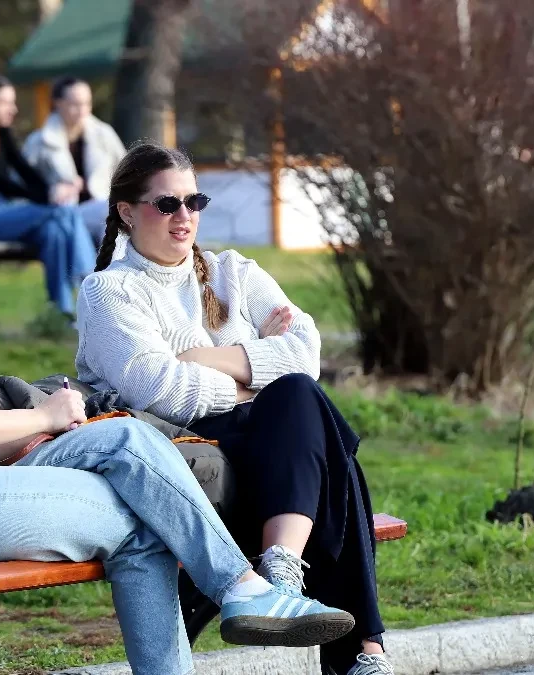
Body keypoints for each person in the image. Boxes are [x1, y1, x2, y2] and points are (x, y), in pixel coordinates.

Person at [0, 160, 357, 675]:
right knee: (143, 505)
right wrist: (40, 413)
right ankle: (244, 588)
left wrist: (43, 426)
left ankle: (243, 590)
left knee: (130, 457)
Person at [74, 141, 393, 675]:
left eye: (193, 202)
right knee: (325, 438)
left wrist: (201, 357)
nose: (184, 217)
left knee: (298, 395)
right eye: (166, 204)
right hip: (184, 447)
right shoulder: (109, 292)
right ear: (127, 213)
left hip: (269, 439)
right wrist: (251, 375)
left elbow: (305, 353)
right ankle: (364, 649)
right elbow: (166, 392)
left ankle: (282, 571)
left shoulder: (232, 273)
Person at [0, 74, 95, 320]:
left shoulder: (2, 135)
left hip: (5, 216)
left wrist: (50, 191)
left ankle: (63, 312)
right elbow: (0, 182)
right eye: (6, 102)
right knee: (63, 211)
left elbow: (26, 172)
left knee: (54, 231)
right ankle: (90, 278)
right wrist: (51, 197)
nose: (13, 109)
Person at [22, 77, 126, 248]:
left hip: (97, 208)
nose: (82, 111)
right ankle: (99, 272)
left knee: (111, 216)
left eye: (86, 104)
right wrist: (53, 191)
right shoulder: (39, 141)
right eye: (75, 104)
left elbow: (126, 172)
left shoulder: (104, 135)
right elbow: (22, 184)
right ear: (58, 103)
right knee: (106, 215)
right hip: (58, 212)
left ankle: (109, 272)